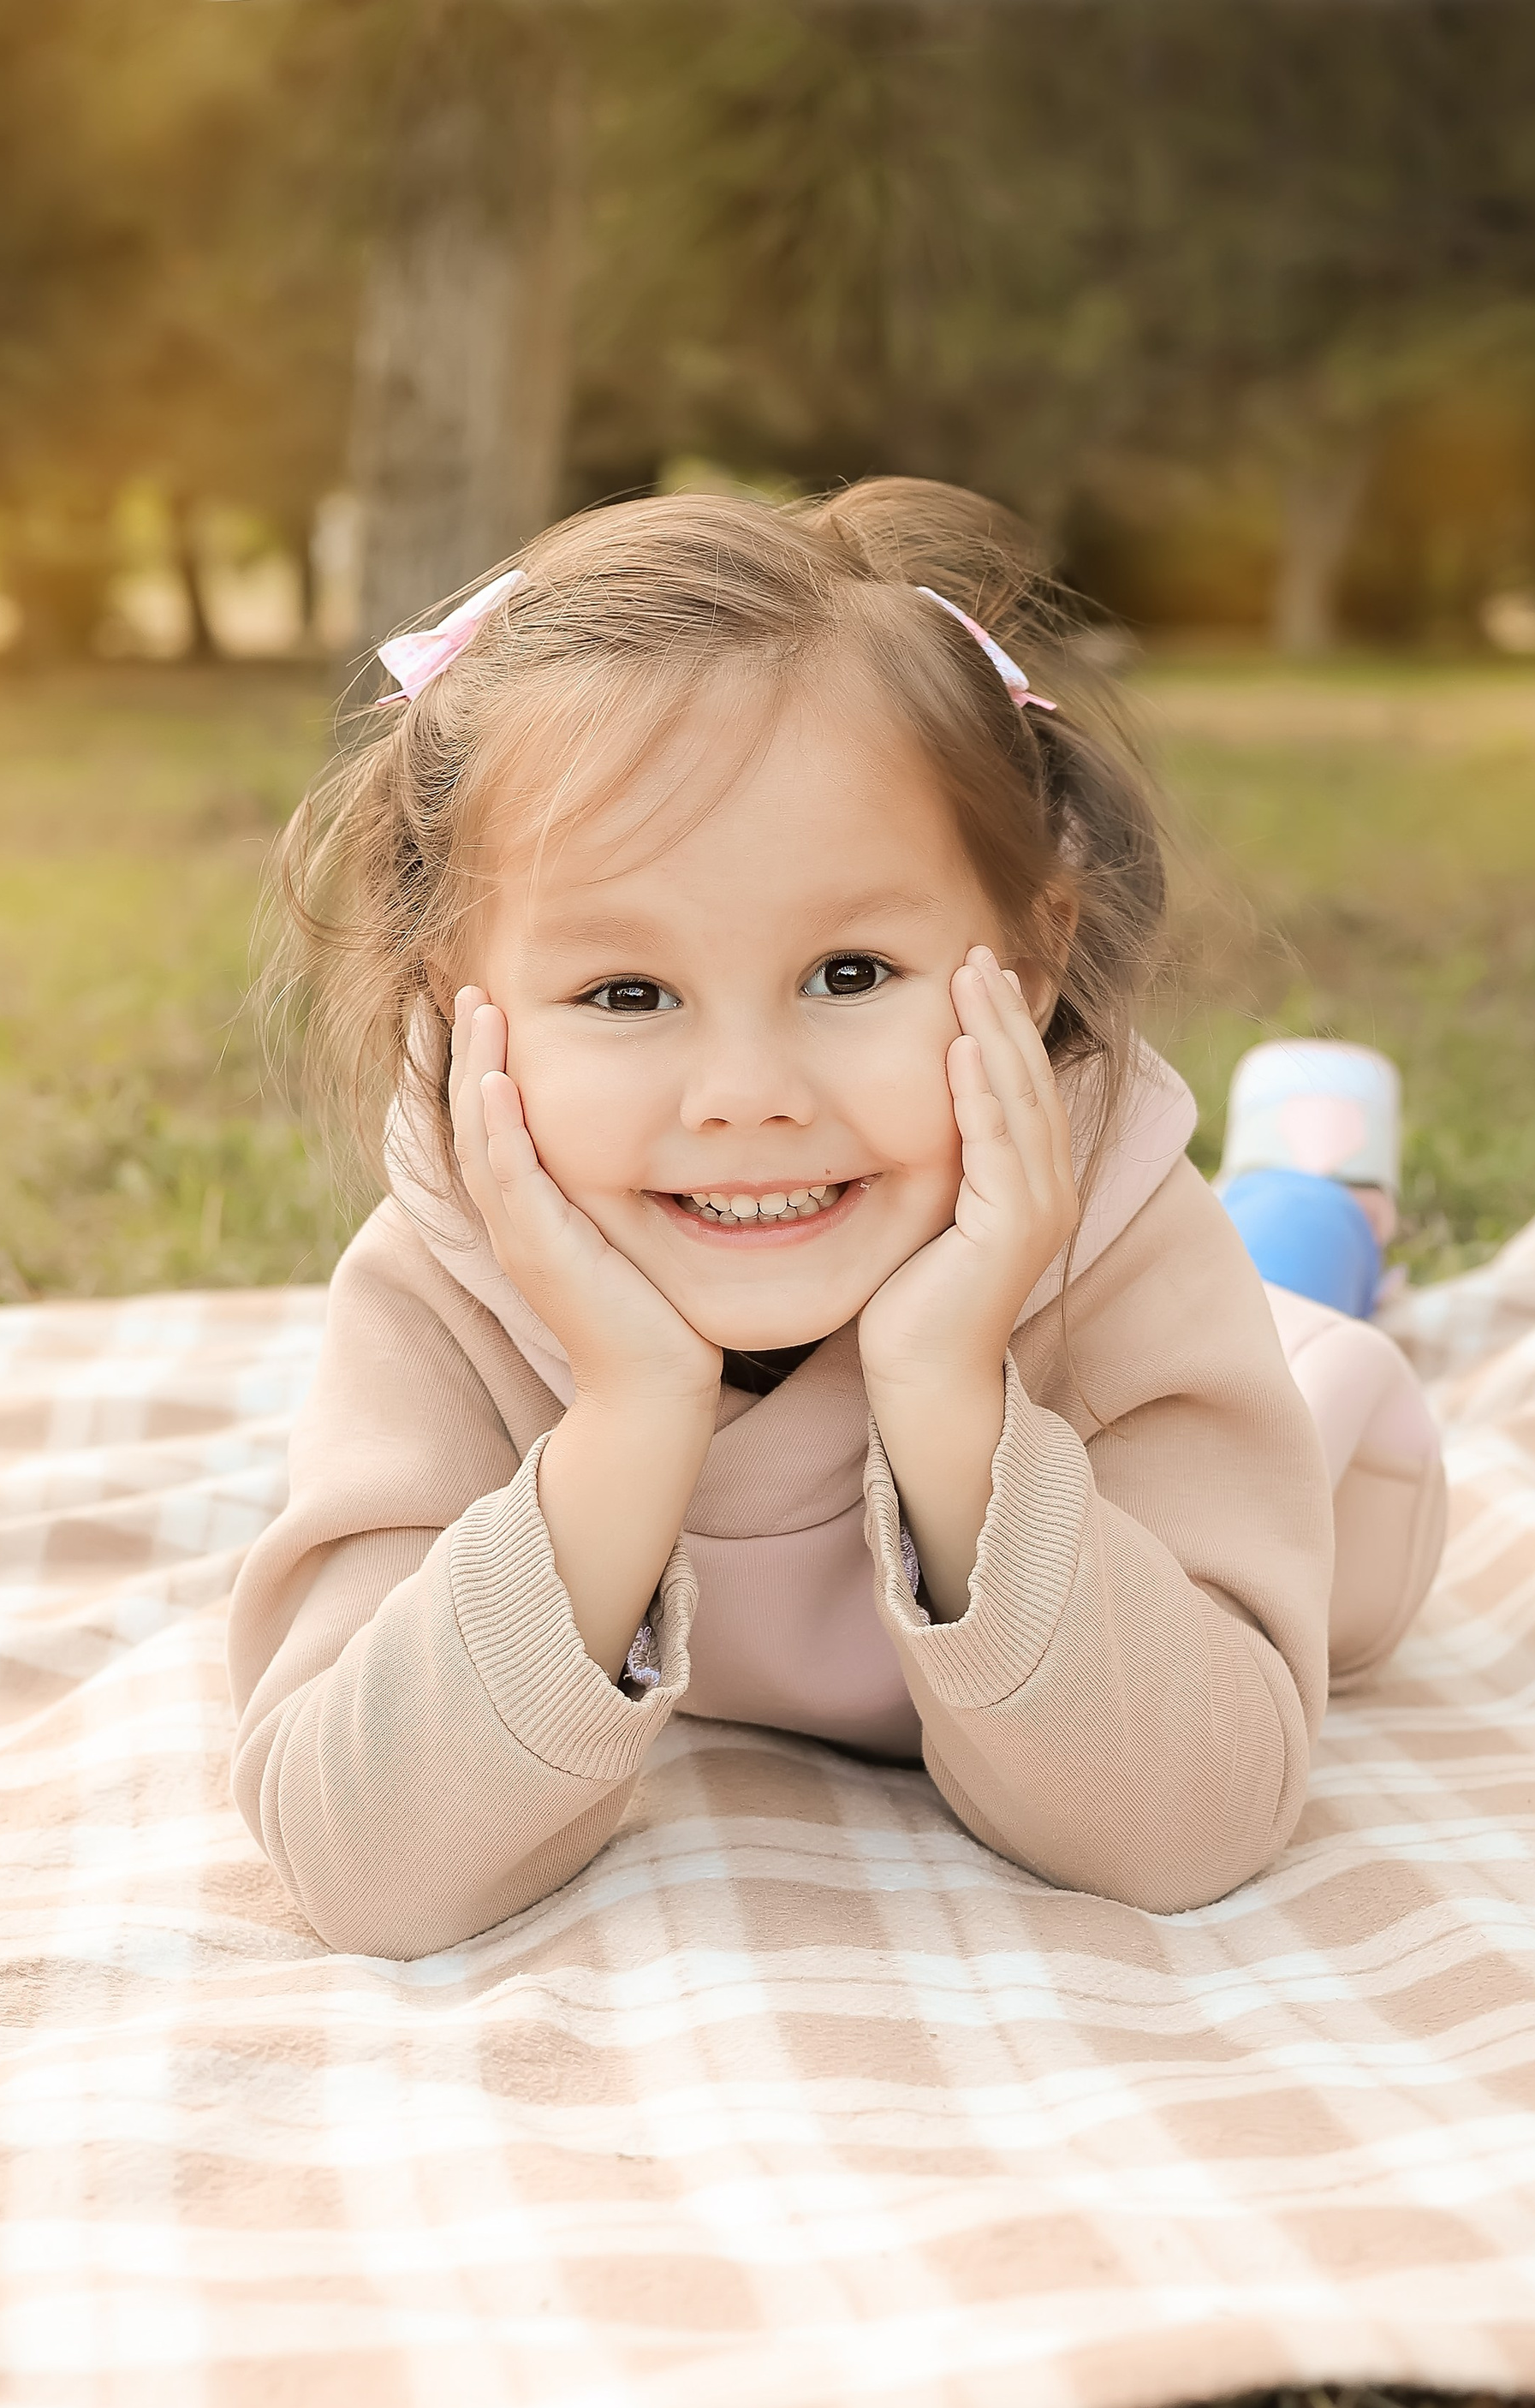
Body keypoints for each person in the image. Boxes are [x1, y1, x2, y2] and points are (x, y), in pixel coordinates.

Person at [229, 481, 1445, 1956]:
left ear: (1033, 957)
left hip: (1304, 1419)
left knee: (1292, 1283)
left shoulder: (1119, 1246)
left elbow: (1192, 1823)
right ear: (456, 1007)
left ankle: (1318, 1194)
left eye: (851, 974)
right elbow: (363, 1866)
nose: (748, 1097)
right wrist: (626, 1415)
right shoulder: (447, 1287)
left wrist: (948, 1395)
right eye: (627, 995)